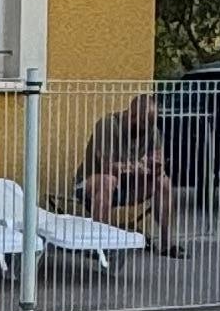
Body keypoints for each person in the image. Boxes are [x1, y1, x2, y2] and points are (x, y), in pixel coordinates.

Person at [74, 88, 177, 251]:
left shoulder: (152, 131)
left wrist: (157, 166)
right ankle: (100, 244)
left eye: (150, 125)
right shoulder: (108, 125)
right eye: (143, 124)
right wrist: (139, 167)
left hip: (130, 186)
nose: (145, 130)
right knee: (108, 180)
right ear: (131, 114)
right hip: (92, 184)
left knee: (163, 182)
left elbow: (158, 163)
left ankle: (167, 243)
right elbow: (107, 167)